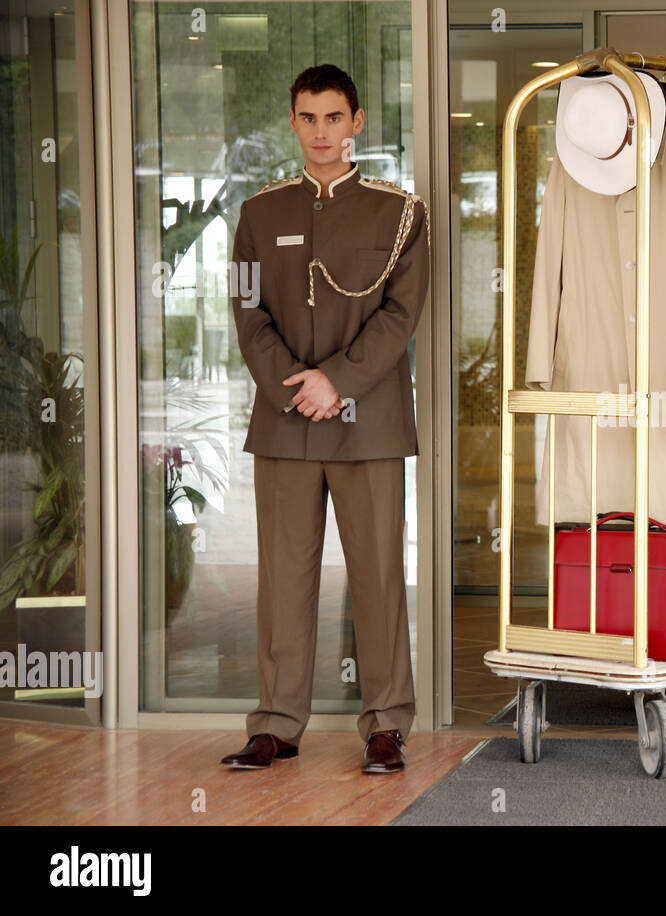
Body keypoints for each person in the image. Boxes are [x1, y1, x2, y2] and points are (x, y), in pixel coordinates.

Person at [220, 64, 430, 772]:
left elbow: (401, 315)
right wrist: (296, 390)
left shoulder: (400, 213)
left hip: (368, 424)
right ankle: (276, 723)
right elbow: (248, 314)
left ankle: (386, 725)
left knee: (377, 578)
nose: (320, 133)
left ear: (357, 122)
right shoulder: (258, 216)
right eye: (308, 119)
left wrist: (335, 381)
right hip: (285, 425)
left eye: (333, 118)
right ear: (292, 122)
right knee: (282, 578)